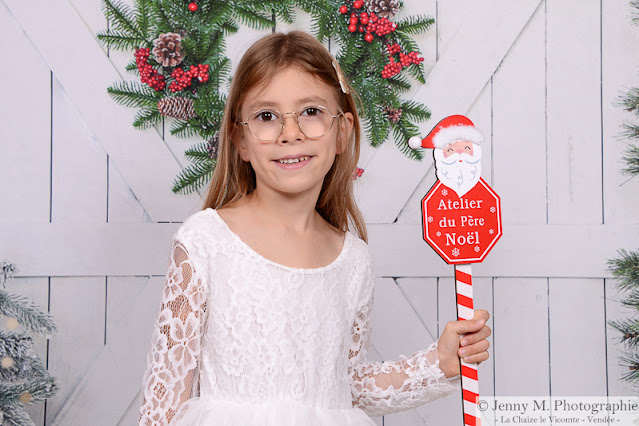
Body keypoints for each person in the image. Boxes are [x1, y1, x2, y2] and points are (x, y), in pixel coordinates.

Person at [137, 30, 491, 426]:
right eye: (267, 116)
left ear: (342, 132)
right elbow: (163, 404)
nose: (291, 133)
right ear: (241, 141)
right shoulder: (206, 242)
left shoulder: (352, 259)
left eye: (311, 112)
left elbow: (347, 385)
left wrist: (437, 363)